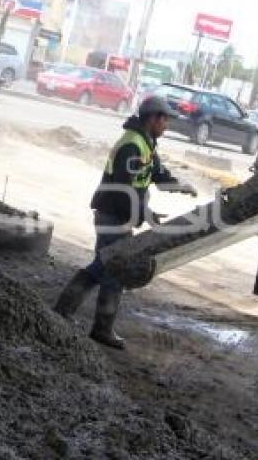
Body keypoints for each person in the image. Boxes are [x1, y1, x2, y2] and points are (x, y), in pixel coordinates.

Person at [53, 97, 197, 350]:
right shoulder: (131, 145)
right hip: (112, 215)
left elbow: (157, 174)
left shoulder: (146, 142)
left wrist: (180, 186)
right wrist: (147, 213)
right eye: (165, 120)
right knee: (114, 269)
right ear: (152, 118)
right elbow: (124, 189)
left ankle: (63, 312)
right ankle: (99, 328)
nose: (167, 126)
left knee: (104, 266)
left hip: (120, 216)